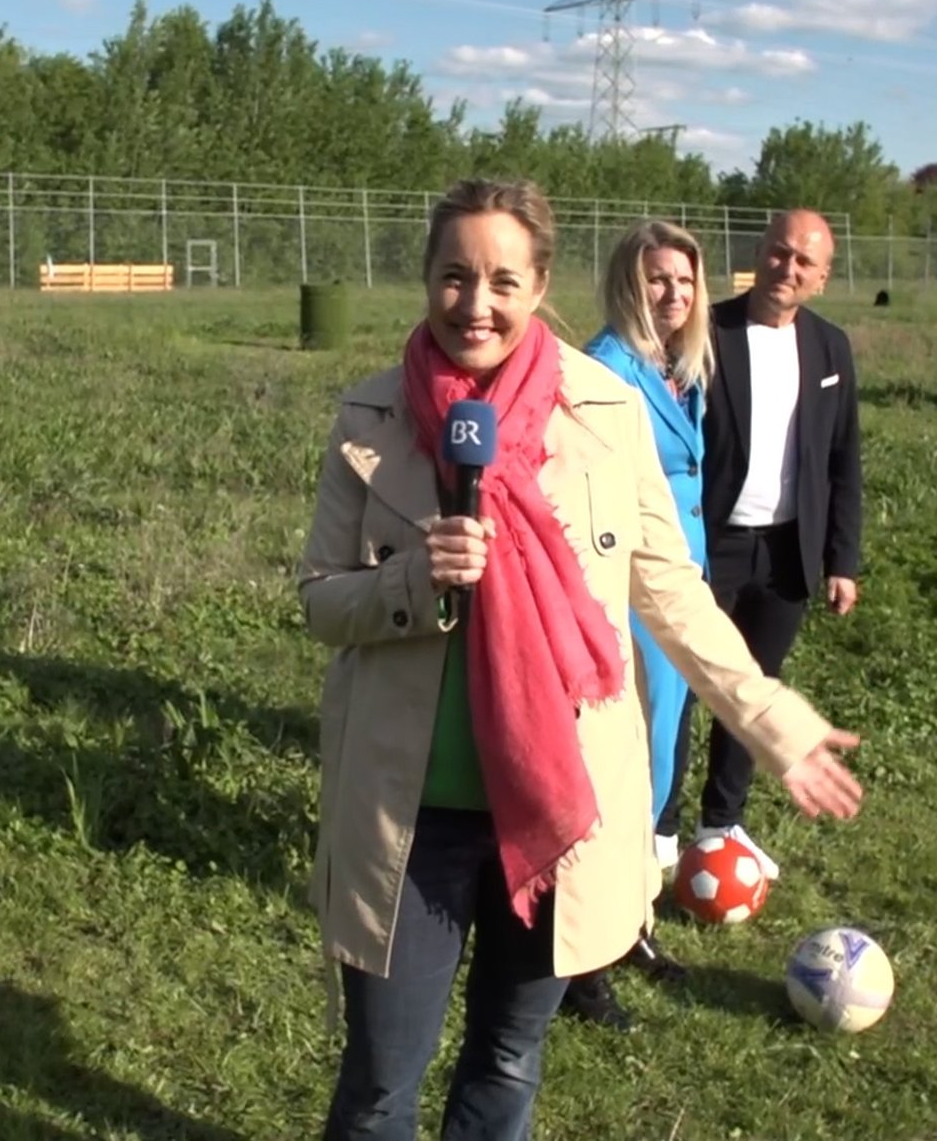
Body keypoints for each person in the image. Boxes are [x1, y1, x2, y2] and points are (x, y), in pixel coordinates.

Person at [295, 178, 864, 1141]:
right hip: (410, 817)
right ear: (426, 280)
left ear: (541, 282)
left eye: (502, 280)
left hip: (558, 811)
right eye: (454, 277)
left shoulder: (604, 410)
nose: (476, 304)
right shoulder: (371, 417)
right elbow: (319, 602)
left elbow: (673, 591)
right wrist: (410, 585)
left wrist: (771, 721)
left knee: (508, 1062)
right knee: (382, 1081)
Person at [662, 208, 865, 882]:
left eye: (804, 263)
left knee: (756, 689)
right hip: (707, 544)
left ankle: (722, 824)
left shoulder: (831, 348)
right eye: (779, 254)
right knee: (685, 685)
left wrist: (842, 559)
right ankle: (659, 827)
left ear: (823, 277)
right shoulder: (707, 332)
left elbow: (844, 460)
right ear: (760, 252)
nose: (788, 269)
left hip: (785, 553)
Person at [555, 219, 715, 1031]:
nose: (673, 294)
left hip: (677, 586)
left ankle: (631, 923)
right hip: (625, 592)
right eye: (658, 279)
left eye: (685, 282)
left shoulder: (682, 369)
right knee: (618, 776)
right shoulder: (601, 370)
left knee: (656, 770)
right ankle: (585, 956)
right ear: (628, 282)